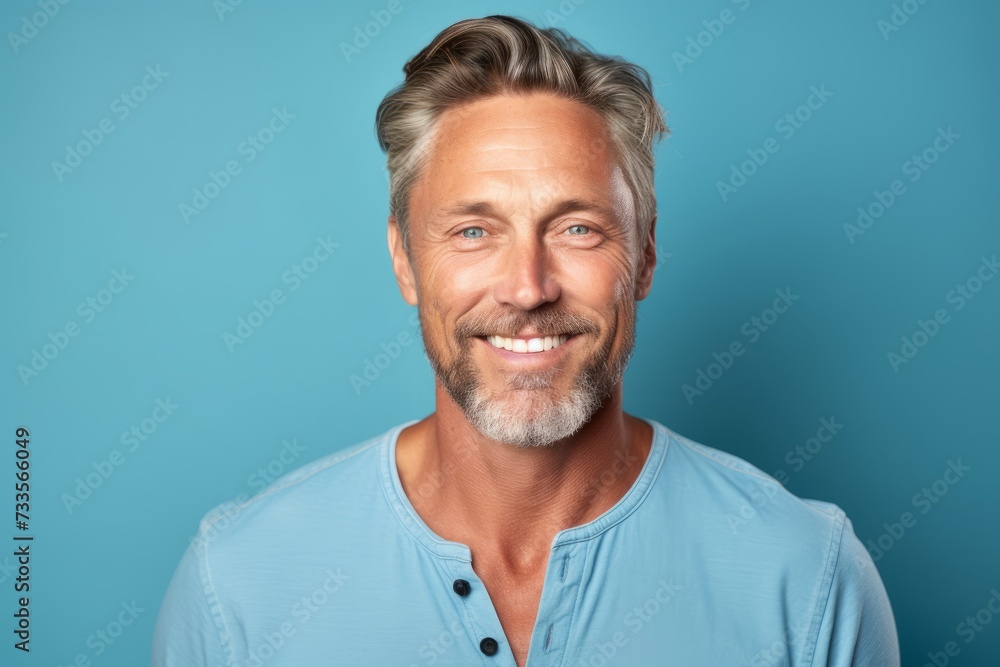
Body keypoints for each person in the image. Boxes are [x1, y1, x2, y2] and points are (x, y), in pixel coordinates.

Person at [152, 15, 899, 666]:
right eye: (474, 231)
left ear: (642, 257)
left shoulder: (807, 580)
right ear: (405, 261)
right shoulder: (239, 583)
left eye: (577, 227)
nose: (528, 287)